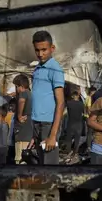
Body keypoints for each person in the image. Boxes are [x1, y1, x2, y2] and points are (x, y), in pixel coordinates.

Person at [31, 31, 65, 165]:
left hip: (49, 125)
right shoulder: (37, 68)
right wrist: (34, 134)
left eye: (44, 50)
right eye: (37, 50)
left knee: (49, 169)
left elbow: (61, 103)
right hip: (37, 124)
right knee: (41, 167)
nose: (40, 54)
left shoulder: (55, 69)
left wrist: (52, 135)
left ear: (52, 48)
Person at [13, 74, 32, 164]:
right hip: (28, 132)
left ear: (21, 86)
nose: (16, 89)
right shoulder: (30, 93)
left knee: (20, 159)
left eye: (16, 86)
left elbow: (21, 101)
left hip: (22, 132)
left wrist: (19, 116)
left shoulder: (23, 93)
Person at [84, 86, 97, 150]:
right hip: (89, 117)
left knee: (90, 132)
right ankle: (89, 146)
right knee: (90, 132)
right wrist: (92, 117)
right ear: (92, 91)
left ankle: (89, 146)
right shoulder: (89, 98)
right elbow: (89, 108)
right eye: (94, 92)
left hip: (87, 116)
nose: (95, 93)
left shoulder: (87, 98)